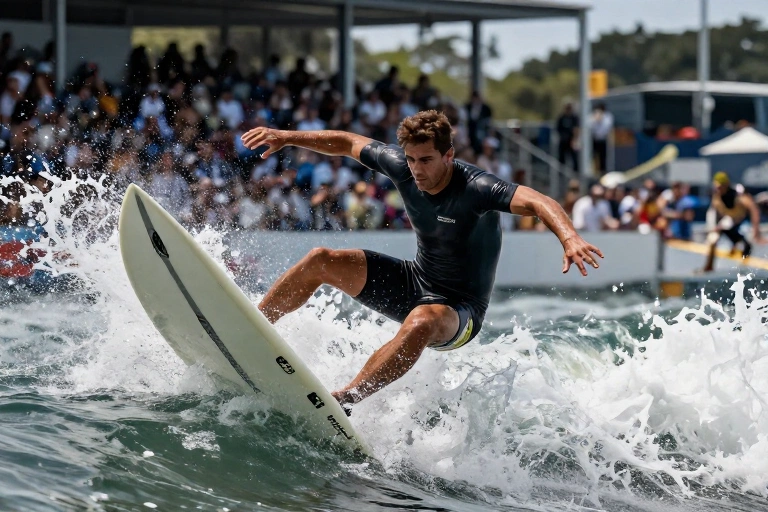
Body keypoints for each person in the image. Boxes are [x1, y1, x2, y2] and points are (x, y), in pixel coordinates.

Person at [240, 110, 603, 408]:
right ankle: (251, 326)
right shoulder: (403, 167)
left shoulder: (477, 188)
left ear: (449, 155)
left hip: (460, 311)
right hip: (415, 281)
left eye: (427, 160)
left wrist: (569, 237)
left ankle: (346, 399)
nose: (417, 169)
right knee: (321, 258)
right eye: (411, 159)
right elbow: (348, 142)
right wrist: (287, 136)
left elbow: (540, 202)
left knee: (419, 323)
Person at [702, 172, 764, 272]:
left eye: (721, 187)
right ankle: (708, 267)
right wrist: (713, 227)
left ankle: (744, 268)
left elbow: (753, 208)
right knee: (713, 240)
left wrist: (756, 230)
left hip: (743, 221)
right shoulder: (716, 196)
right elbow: (713, 212)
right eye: (717, 187)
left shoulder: (738, 194)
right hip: (729, 221)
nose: (719, 189)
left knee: (746, 244)